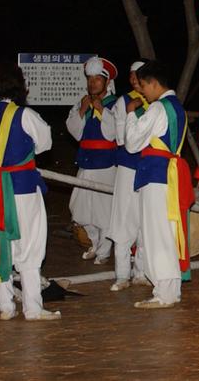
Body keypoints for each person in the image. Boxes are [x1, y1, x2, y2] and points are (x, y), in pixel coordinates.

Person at [0, 62, 60, 320]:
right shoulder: (24, 115)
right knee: (30, 246)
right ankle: (33, 308)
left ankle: (6, 307)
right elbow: (45, 144)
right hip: (22, 187)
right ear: (19, 87)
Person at [125, 60, 195, 308]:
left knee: (156, 233)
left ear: (154, 83)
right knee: (167, 230)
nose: (142, 91)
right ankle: (170, 290)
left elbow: (132, 143)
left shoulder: (157, 109)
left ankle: (164, 293)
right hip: (169, 175)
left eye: (143, 85)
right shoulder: (178, 108)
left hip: (156, 175)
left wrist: (131, 114)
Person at [66, 56, 119, 265]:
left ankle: (104, 251)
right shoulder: (82, 102)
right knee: (79, 209)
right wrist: (82, 110)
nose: (92, 83)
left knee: (103, 211)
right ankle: (95, 244)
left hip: (106, 165)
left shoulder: (115, 104)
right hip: (86, 163)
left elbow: (113, 133)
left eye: (97, 79)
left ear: (107, 82)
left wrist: (100, 110)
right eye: (90, 79)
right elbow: (75, 132)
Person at [108, 60, 149, 290]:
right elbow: (123, 139)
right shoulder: (123, 102)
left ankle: (141, 271)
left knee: (145, 218)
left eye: (139, 75)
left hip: (148, 167)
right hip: (127, 167)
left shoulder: (156, 103)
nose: (134, 78)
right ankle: (122, 274)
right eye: (132, 75)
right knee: (124, 217)